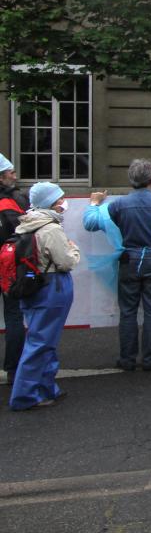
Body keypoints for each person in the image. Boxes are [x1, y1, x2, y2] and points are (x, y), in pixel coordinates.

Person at [85, 159, 151, 371]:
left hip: (128, 260)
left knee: (127, 312)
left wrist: (94, 204)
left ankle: (127, 359)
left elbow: (90, 223)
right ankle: (150, 358)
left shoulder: (117, 205)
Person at [8, 182, 79, 410]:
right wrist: (74, 248)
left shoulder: (28, 224)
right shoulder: (51, 228)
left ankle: (46, 388)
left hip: (35, 287)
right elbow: (66, 261)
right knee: (41, 343)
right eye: (59, 199)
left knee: (43, 340)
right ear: (50, 202)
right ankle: (25, 396)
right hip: (52, 287)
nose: (62, 203)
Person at [0, 153, 29, 385]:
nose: (15, 176)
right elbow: (22, 233)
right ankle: (13, 368)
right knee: (13, 315)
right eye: (11, 173)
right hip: (8, 264)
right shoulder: (13, 201)